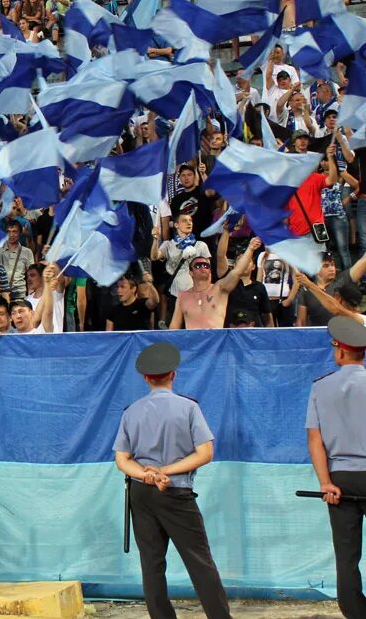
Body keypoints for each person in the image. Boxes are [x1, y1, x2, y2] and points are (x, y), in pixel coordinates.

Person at [114, 343, 231, 619]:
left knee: (152, 564)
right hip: (176, 492)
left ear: (145, 378)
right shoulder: (188, 408)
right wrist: (166, 471)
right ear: (173, 375)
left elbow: (122, 459)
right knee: (199, 562)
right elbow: (205, 453)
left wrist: (148, 474)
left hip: (142, 494)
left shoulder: (131, 412)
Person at [306, 317, 366, 619]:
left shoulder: (321, 387)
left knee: (346, 555)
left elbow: (315, 440)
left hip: (340, 480)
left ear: (340, 352)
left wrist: (325, 483)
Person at [169, 239, 261, 329]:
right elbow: (174, 327)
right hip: (193, 339)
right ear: (191, 273)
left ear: (210, 271)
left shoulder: (219, 288)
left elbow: (237, 271)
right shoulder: (182, 296)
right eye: (198, 265)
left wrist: (250, 249)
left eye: (206, 266)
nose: (203, 267)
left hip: (216, 338)